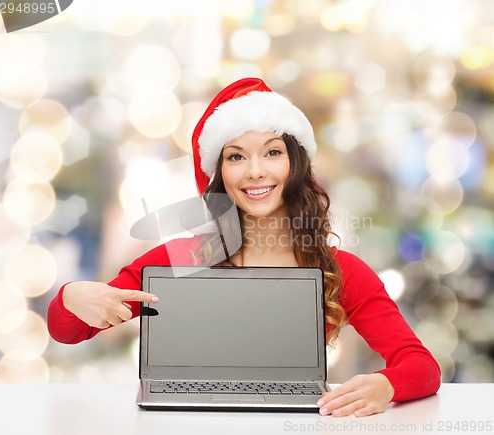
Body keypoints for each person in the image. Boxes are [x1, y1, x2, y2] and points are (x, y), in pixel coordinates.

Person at [47, 77, 441, 417]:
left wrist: (386, 385)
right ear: (220, 174)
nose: (255, 170)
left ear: (295, 166)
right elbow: (68, 330)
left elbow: (421, 365)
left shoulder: (339, 270)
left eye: (272, 152)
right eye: (236, 156)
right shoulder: (184, 258)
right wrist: (70, 298)